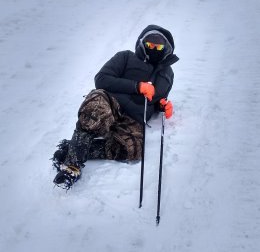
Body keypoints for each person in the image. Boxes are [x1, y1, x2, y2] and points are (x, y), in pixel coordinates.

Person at [52, 24, 179, 189]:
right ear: (142, 43)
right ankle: (72, 166)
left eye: (159, 45)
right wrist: (137, 86)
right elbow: (101, 79)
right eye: (149, 44)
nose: (153, 48)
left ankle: (72, 148)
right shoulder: (125, 57)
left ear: (166, 49)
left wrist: (162, 106)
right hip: (112, 101)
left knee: (131, 150)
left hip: (135, 117)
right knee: (95, 108)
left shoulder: (168, 74)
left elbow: (157, 100)